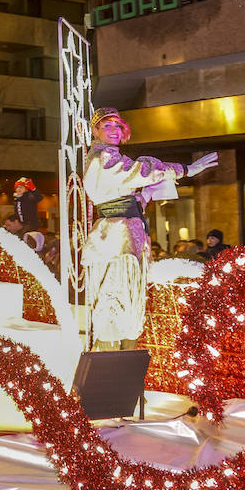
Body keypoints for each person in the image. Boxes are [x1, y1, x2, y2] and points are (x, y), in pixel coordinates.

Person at [79, 107, 217, 349]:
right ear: (95, 131)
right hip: (116, 239)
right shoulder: (104, 158)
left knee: (127, 300)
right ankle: (110, 364)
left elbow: (125, 191)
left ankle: (120, 362)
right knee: (115, 299)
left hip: (123, 234)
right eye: (107, 125)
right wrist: (185, 169)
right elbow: (139, 172)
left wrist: (144, 197)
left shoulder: (109, 158)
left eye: (117, 125)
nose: (114, 130)